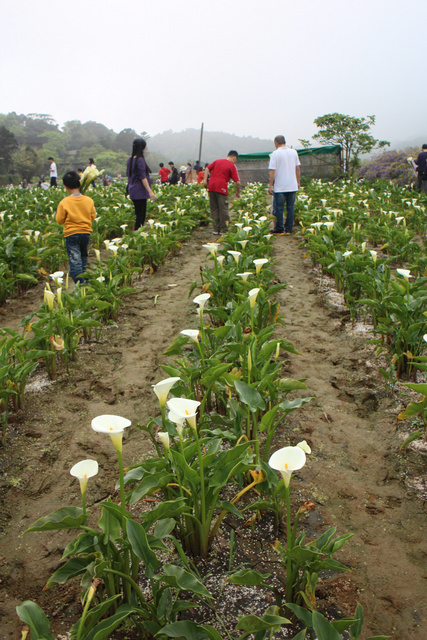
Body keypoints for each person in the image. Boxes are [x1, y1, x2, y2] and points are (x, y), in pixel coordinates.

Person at [55, 170, 96, 283]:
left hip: (72, 234)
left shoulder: (64, 202)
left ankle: (81, 284)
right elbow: (92, 217)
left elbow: (59, 220)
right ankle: (84, 280)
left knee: (75, 261)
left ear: (65, 187)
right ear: (79, 184)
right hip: (86, 234)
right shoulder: (89, 200)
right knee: (83, 258)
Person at [268, 135, 301, 235]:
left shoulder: (275, 154)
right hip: (292, 185)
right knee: (290, 208)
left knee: (279, 208)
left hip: (280, 187)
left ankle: (279, 229)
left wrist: (270, 185)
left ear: (276, 143)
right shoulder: (294, 152)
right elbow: (298, 168)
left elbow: (272, 171)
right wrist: (298, 182)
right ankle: (288, 229)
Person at [204, 150, 240, 235]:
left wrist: (205, 180)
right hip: (221, 187)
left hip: (211, 186)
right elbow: (238, 182)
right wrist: (237, 192)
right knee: (223, 208)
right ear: (234, 158)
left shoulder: (217, 161)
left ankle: (216, 229)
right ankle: (224, 229)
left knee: (214, 209)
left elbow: (207, 168)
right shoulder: (232, 165)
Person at [126, 138, 156, 230]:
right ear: (142, 148)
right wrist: (150, 192)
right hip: (140, 192)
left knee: (138, 213)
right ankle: (137, 234)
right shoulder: (140, 160)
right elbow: (143, 177)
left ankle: (137, 234)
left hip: (132, 190)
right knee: (141, 215)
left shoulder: (130, 160)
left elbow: (129, 175)